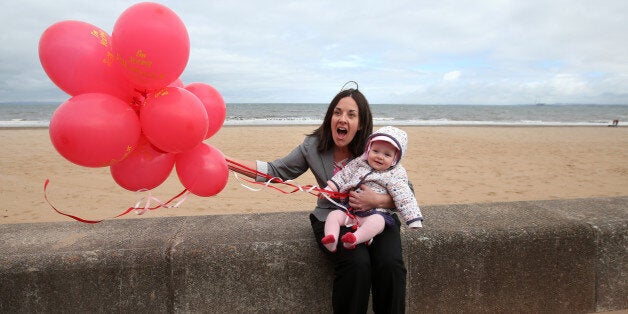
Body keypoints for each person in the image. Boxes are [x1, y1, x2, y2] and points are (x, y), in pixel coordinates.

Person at [226, 82, 408, 313]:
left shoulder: (376, 146)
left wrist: (376, 201)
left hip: (378, 217)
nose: (342, 119)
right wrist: (227, 161)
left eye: (351, 115)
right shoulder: (312, 146)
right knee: (357, 264)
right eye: (337, 112)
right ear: (330, 117)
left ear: (360, 123)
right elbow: (275, 170)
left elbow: (406, 190)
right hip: (333, 217)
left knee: (390, 265)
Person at [321, 126, 423, 253]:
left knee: (378, 222)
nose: (380, 157)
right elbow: (343, 175)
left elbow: (405, 196)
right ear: (368, 150)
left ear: (395, 159)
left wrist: (413, 219)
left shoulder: (395, 175)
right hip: (350, 211)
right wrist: (328, 189)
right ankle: (331, 240)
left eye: (387, 154)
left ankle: (354, 239)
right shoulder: (359, 162)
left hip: (374, 213)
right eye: (375, 151)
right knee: (333, 216)